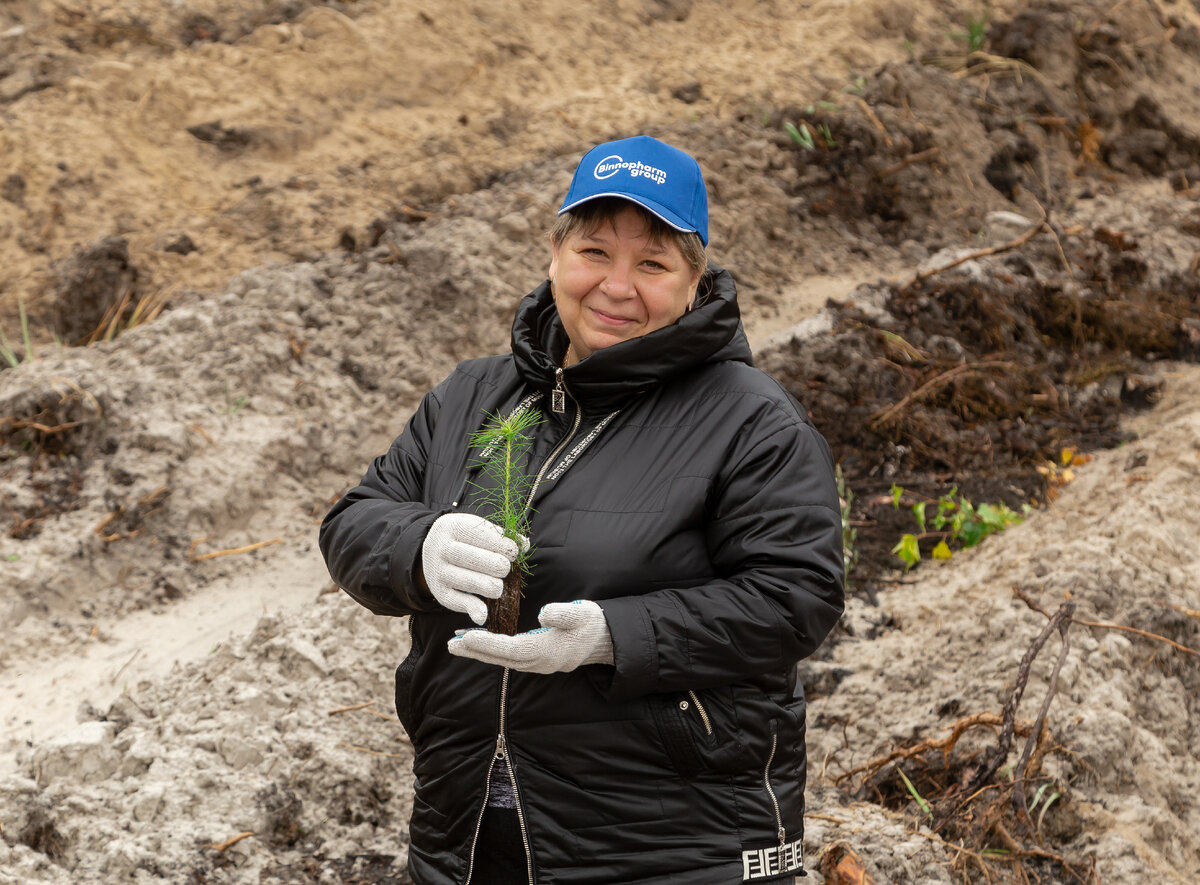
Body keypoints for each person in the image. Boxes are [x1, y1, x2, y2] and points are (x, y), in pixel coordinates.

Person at [319, 135, 845, 884]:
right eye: (594, 252)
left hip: (667, 846)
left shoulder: (751, 422)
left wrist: (615, 636)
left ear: (694, 281)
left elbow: (797, 596)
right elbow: (353, 519)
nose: (616, 286)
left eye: (653, 264)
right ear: (555, 255)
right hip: (465, 826)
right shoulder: (473, 395)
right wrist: (418, 547)